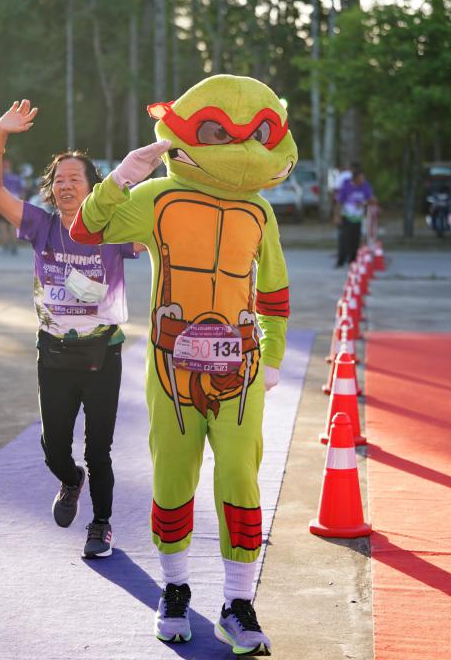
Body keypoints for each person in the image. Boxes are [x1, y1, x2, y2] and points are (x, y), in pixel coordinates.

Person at [71, 74, 297, 656]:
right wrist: (122, 176)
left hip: (241, 372)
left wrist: (272, 355)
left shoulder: (260, 212)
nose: (235, 145)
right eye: (219, 131)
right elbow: (86, 231)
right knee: (173, 478)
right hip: (171, 369)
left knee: (241, 478)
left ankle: (237, 603)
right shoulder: (157, 198)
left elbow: (273, 293)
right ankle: (174, 590)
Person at [0, 99, 137, 558]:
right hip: (53, 353)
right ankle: (70, 481)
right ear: (51, 189)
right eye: (59, 180)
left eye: (75, 179)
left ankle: (101, 525)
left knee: (99, 450)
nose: (66, 186)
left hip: (103, 352)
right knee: (54, 449)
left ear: (93, 188)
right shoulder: (40, 225)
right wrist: (1, 134)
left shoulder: (114, 228)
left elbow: (160, 231)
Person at [334, 164, 376, 266]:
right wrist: (337, 216)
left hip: (358, 218)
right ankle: (341, 260)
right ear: (355, 178)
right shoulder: (346, 186)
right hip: (346, 216)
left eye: (363, 178)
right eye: (361, 178)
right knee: (344, 239)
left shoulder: (365, 186)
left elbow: (371, 200)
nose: (363, 180)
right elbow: (339, 202)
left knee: (355, 239)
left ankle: (352, 260)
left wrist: (363, 203)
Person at [0, 158, 24, 254]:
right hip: (14, 204)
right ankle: (14, 247)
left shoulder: (1, 178)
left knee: (2, 225)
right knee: (13, 226)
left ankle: (5, 246)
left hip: (3, 204)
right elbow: (22, 192)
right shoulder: (17, 178)